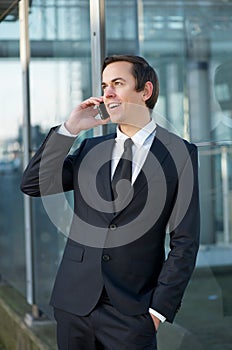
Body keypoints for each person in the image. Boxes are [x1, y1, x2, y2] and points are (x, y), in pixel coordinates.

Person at [20, 55, 200, 350]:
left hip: (133, 311)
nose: (108, 93)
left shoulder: (180, 154)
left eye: (118, 83)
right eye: (105, 85)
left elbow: (185, 241)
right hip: (74, 304)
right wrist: (70, 129)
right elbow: (32, 184)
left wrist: (158, 312)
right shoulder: (91, 148)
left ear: (145, 91)